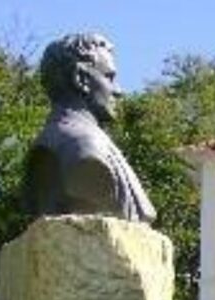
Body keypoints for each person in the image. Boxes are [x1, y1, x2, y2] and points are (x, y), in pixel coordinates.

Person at [24, 33, 156, 224]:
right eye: (109, 77)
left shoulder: (53, 140)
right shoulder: (84, 146)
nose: (118, 90)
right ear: (81, 78)